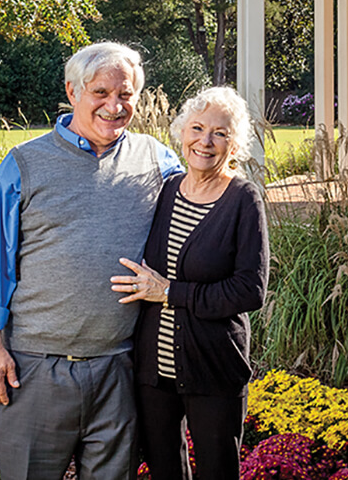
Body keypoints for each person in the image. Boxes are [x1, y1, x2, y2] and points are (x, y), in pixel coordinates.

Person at [0, 42, 183, 480]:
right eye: (100, 92)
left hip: (120, 368)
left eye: (125, 95)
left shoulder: (157, 160)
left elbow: (199, 216)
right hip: (34, 370)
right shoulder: (24, 164)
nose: (114, 106)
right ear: (72, 91)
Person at [110, 86, 269, 480]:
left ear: (235, 145)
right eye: (197, 128)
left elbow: (250, 290)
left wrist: (169, 292)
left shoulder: (243, 199)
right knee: (164, 468)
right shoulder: (165, 191)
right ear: (181, 132)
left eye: (220, 133)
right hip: (153, 369)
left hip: (213, 365)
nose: (206, 141)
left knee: (216, 470)